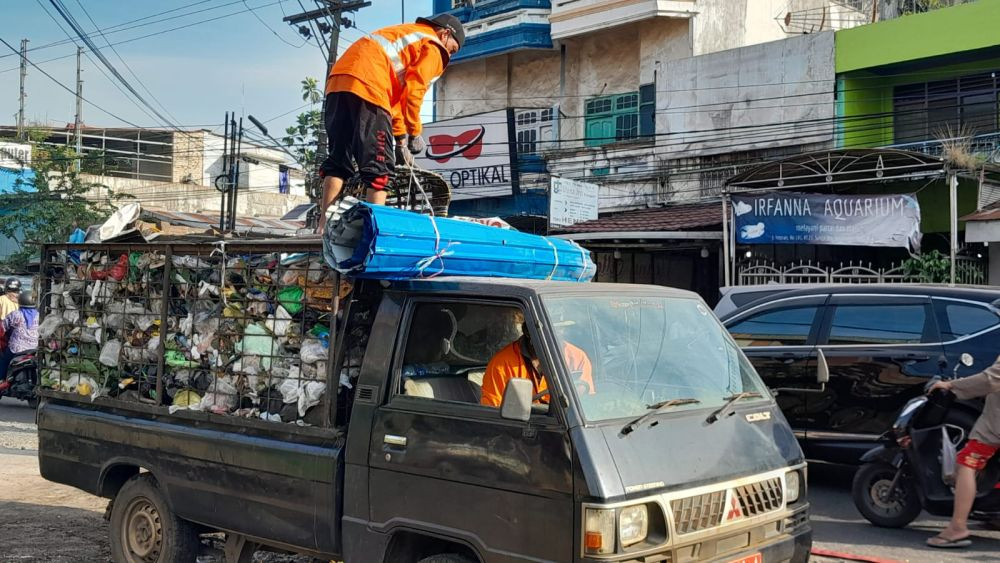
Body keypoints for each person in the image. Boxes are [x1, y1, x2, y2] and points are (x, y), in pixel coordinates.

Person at [316, 14, 465, 233]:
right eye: (452, 49)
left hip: (338, 84)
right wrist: (414, 133)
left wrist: (400, 139)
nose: (449, 56)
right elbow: (414, 93)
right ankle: (373, 232)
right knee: (379, 169)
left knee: (338, 161)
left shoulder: (403, 34)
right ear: (445, 34)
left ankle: (322, 228)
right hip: (369, 88)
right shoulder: (433, 44)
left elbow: (393, 102)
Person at [926, 356, 1000, 548]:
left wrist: (952, 386)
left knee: (967, 463)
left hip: (995, 427)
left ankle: (957, 526)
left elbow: (989, 379)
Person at [480, 321, 594, 408]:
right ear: (529, 333)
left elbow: (588, 405)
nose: (555, 336)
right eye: (548, 331)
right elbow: (493, 413)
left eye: (560, 330)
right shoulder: (502, 364)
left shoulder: (577, 358)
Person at [0, 278, 22, 381]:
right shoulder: (23, 301)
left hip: (6, 332)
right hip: (15, 332)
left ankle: (1, 379)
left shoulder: (2, 299)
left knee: (3, 358)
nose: (14, 294)